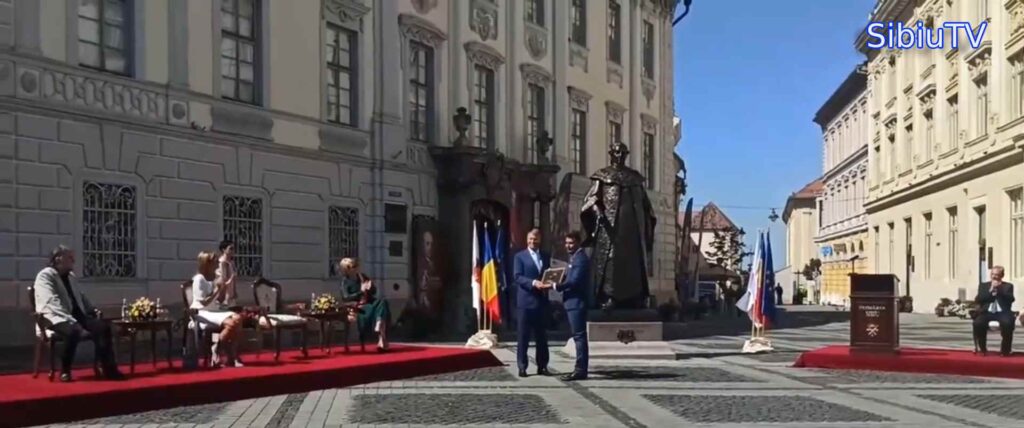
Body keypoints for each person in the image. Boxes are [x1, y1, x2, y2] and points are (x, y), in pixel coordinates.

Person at [580, 142, 657, 310]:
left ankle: (634, 297)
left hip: (632, 228)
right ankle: (610, 297)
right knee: (611, 261)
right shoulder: (603, 176)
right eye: (617, 152)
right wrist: (596, 209)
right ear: (611, 154)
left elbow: (645, 205)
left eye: (623, 153)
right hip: (611, 228)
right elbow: (591, 198)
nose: (620, 156)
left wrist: (647, 226)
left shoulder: (635, 178)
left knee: (634, 263)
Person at [33, 245, 124, 382]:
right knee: (73, 331)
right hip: (54, 318)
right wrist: (70, 320)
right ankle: (65, 370)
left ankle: (109, 369)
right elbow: (51, 302)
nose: (73, 261)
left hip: (78, 316)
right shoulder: (45, 275)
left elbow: (81, 296)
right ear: (58, 259)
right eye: (69, 257)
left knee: (103, 328)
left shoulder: (71, 276)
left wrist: (91, 309)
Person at [192, 251, 244, 367]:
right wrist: (217, 289)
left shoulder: (215, 277)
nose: (217, 263)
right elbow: (203, 302)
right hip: (202, 312)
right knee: (231, 323)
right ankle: (218, 350)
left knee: (238, 318)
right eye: (215, 261)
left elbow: (219, 300)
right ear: (207, 263)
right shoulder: (199, 279)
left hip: (215, 310)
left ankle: (229, 354)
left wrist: (223, 288)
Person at [512, 228, 551, 378]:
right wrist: (533, 282)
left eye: (535, 239)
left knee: (542, 337)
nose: (532, 242)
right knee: (523, 337)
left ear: (539, 239)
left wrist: (552, 281)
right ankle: (522, 366)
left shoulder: (545, 256)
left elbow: (548, 273)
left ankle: (543, 366)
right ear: (526, 240)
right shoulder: (520, 257)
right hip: (526, 302)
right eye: (530, 239)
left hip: (541, 302)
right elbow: (517, 276)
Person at [555, 232, 590, 381]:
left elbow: (574, 281)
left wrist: (557, 286)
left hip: (577, 302)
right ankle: (580, 368)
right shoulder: (574, 258)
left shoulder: (580, 258)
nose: (568, 246)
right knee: (578, 336)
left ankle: (580, 369)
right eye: (566, 243)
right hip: (572, 302)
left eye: (571, 243)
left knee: (579, 336)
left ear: (578, 243)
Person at [339, 257, 391, 351]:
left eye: (356, 266)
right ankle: (382, 340)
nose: (356, 268)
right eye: (353, 266)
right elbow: (345, 297)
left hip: (369, 301)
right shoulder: (345, 282)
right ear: (347, 270)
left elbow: (374, 291)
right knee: (378, 310)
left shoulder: (362, 276)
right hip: (358, 305)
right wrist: (361, 292)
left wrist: (370, 288)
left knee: (382, 302)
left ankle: (379, 324)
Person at [973, 266, 1015, 356]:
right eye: (992, 274)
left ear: (1002, 275)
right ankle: (982, 349)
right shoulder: (983, 285)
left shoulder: (1008, 286)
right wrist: (990, 290)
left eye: (997, 274)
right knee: (978, 323)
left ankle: (1005, 351)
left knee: (1008, 323)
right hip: (987, 312)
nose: (994, 276)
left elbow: (1011, 299)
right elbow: (979, 299)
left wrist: (1000, 290)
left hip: (1002, 312)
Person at [216, 240, 238, 307]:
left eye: (234, 248)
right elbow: (224, 280)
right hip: (224, 294)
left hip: (231, 293)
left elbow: (233, 278)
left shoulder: (231, 262)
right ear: (224, 250)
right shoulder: (223, 262)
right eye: (230, 248)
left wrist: (234, 291)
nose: (233, 251)